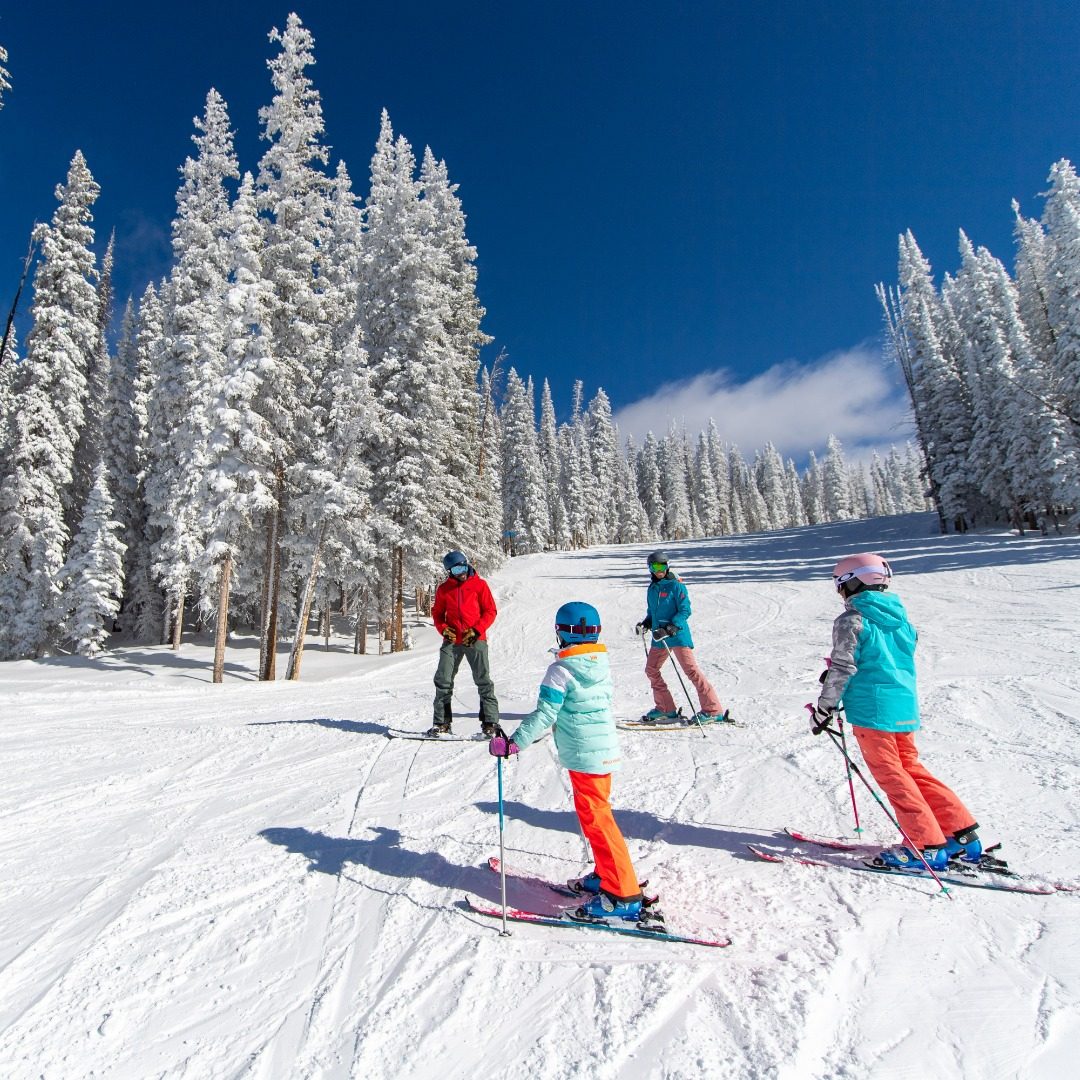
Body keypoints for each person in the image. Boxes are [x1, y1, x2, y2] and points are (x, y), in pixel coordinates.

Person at [811, 553, 983, 871]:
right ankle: (960, 835)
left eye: (840, 585)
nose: (840, 593)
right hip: (903, 707)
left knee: (892, 775)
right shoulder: (903, 620)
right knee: (911, 769)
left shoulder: (852, 620)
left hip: (872, 712)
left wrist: (825, 707)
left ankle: (925, 846)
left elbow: (845, 666)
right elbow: (882, 661)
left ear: (853, 582)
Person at [489, 602, 645, 921]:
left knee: (598, 819)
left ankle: (623, 894)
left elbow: (546, 713)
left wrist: (514, 743)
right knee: (591, 815)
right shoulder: (599, 661)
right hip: (599, 750)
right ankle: (605, 875)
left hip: (585, 754)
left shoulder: (560, 670)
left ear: (561, 632)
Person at [634, 550, 727, 724]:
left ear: (668, 566)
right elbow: (652, 612)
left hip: (677, 635)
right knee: (651, 670)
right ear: (650, 568)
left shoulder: (676, 585)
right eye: (655, 566)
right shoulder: (652, 589)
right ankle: (666, 708)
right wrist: (645, 624)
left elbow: (685, 610)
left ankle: (713, 710)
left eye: (662, 566)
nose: (659, 570)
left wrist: (670, 627)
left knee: (691, 671)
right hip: (659, 637)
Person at [430, 550, 499, 737]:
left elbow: (490, 611)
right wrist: (443, 628)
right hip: (452, 640)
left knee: (483, 680)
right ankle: (442, 724)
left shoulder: (479, 585)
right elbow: (437, 613)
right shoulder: (444, 589)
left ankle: (490, 723)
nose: (460, 572)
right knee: (443, 680)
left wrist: (477, 630)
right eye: (455, 570)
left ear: (467, 564)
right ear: (449, 572)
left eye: (462, 567)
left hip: (475, 639)